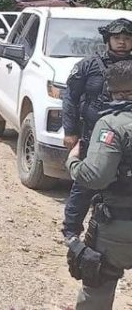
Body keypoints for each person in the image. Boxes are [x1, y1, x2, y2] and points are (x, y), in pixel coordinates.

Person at [65, 59, 132, 308]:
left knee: (98, 291)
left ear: (112, 91)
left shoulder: (111, 124)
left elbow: (96, 177)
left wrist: (73, 163)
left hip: (119, 225)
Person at [63, 19, 132, 238]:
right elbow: (70, 97)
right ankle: (71, 232)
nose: (122, 42)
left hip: (126, 138)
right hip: (93, 136)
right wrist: (70, 131)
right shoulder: (89, 65)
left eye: (127, 38)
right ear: (108, 40)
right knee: (84, 185)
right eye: (117, 38)